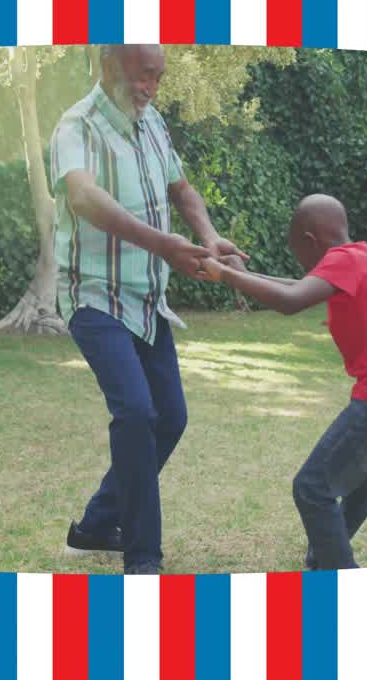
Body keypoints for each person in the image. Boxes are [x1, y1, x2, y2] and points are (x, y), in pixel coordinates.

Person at [49, 44, 247, 575]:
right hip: (93, 294)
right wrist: (164, 245)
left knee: (171, 418)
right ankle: (142, 555)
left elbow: (181, 189)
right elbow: (84, 198)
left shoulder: (153, 122)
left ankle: (95, 525)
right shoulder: (78, 127)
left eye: (157, 78)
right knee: (136, 413)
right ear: (108, 66)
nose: (150, 88)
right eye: (143, 76)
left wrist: (207, 236)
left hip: (146, 299)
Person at [197, 194, 367, 570]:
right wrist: (242, 274)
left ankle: (341, 575)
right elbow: (301, 284)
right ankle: (324, 555)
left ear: (310, 240)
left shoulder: (343, 260)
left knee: (312, 488)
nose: (302, 264)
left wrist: (227, 274)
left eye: (298, 251)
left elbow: (292, 299)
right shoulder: (360, 257)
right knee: (361, 484)